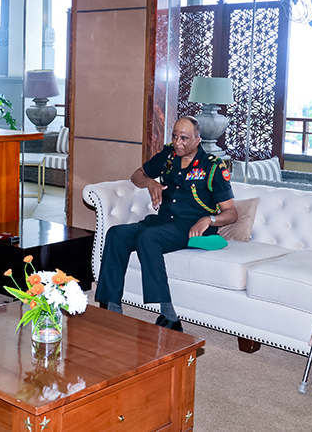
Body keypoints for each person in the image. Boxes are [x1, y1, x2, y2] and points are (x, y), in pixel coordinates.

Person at [95, 116, 237, 331]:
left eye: (184, 138)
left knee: (147, 237)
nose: (178, 143)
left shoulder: (213, 167)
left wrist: (209, 219)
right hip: (163, 221)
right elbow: (137, 176)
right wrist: (150, 183)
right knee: (116, 233)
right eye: (175, 136)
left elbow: (231, 213)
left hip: (190, 226)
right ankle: (112, 306)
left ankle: (169, 315)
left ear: (197, 140)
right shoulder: (169, 155)